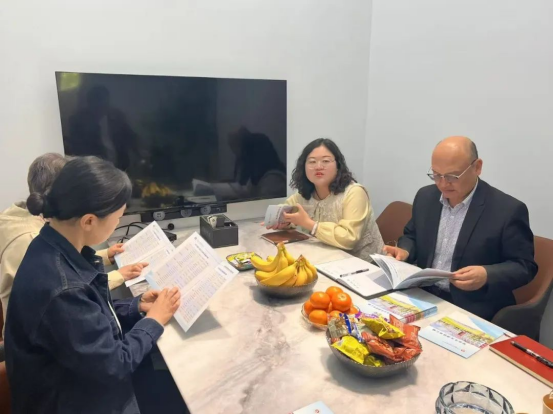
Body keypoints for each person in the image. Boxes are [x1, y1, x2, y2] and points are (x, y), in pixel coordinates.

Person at [5, 156, 181, 414]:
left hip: (78, 381)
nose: (119, 223)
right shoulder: (62, 287)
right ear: (88, 221)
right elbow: (116, 363)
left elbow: (86, 318)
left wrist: (135, 306)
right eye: (118, 217)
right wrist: (154, 320)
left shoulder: (49, 246)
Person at [384, 136, 537, 321]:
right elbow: (412, 235)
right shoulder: (426, 196)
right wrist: (405, 251)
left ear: (477, 167)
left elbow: (524, 267)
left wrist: (487, 275)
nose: (442, 184)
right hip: (423, 294)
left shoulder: (507, 210)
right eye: (436, 175)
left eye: (452, 176)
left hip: (472, 306)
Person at [0, 153, 145, 336]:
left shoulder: (30, 221)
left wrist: (104, 255)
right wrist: (119, 276)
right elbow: (66, 292)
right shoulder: (28, 239)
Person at [270, 138, 384, 261]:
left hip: (365, 264)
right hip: (326, 260)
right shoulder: (304, 194)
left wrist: (309, 224)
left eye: (325, 161)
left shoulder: (354, 192)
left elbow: (349, 238)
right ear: (304, 167)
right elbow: (287, 210)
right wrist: (283, 221)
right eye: (312, 162)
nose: (318, 167)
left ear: (338, 166)